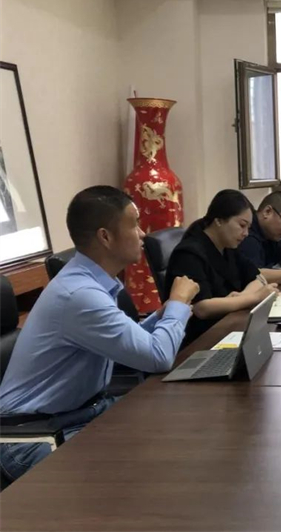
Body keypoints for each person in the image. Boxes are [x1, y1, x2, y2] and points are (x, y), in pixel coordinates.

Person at [0, 186, 199, 483]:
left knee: (178, 431)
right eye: (134, 224)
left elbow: (134, 343)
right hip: (33, 435)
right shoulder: (80, 295)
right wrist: (179, 304)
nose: (142, 234)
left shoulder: (91, 283)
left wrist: (163, 314)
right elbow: (158, 357)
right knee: (137, 476)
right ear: (105, 237)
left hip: (82, 412)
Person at [166, 189, 278, 345]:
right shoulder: (189, 253)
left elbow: (258, 278)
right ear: (218, 220)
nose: (246, 233)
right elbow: (201, 308)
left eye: (248, 228)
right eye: (242, 225)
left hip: (227, 327)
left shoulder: (228, 247)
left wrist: (241, 297)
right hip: (198, 339)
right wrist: (253, 298)